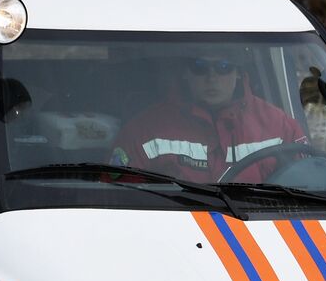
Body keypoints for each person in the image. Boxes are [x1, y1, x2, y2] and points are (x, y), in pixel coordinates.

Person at [111, 53, 307, 184]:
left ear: (238, 72)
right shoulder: (147, 129)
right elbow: (116, 195)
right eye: (199, 67)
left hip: (259, 234)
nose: (212, 77)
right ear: (185, 74)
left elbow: (309, 185)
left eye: (223, 67)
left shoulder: (279, 125)